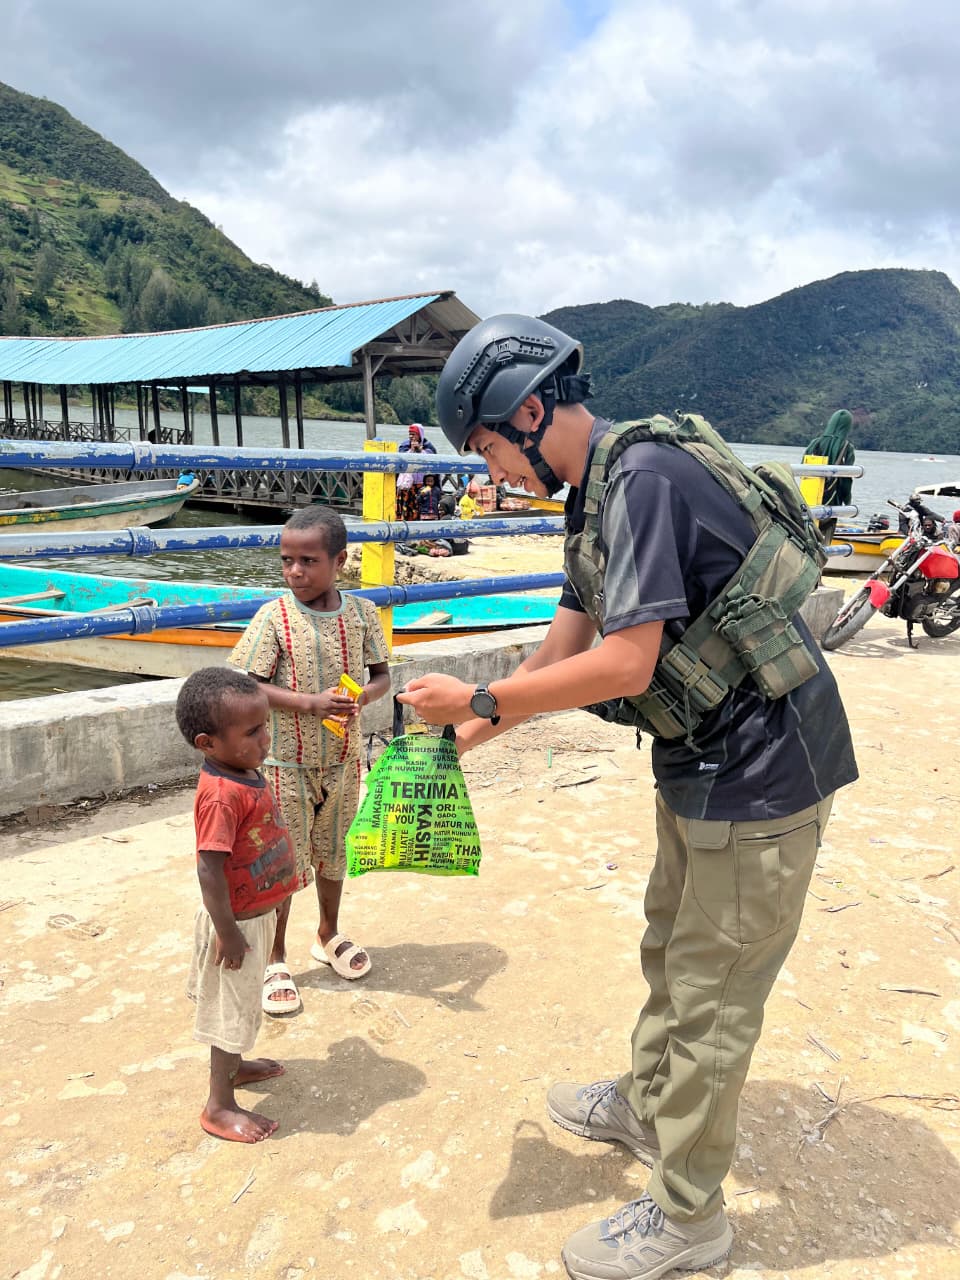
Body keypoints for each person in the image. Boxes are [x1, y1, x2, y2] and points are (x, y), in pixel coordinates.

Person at [397, 314, 859, 1280]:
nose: (490, 471)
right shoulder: (596, 490)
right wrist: (461, 739)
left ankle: (690, 1217)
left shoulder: (643, 479)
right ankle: (649, 1107)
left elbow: (626, 663)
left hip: (763, 770)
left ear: (529, 413)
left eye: (486, 448)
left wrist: (478, 699)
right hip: (700, 758)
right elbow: (563, 647)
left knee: (713, 995)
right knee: (671, 946)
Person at [228, 506, 391, 1012]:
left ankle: (328, 933)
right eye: (287, 561)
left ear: (339, 561)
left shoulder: (362, 614)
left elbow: (382, 676)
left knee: (334, 850)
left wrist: (361, 697)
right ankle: (275, 955)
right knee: (283, 860)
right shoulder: (274, 617)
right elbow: (248, 684)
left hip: (342, 760)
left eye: (308, 561)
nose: (295, 571)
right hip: (285, 764)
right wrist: (308, 703)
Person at [176, 666, 298, 1143]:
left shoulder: (242, 770)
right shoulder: (221, 797)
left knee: (241, 1006)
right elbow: (209, 869)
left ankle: (236, 1067)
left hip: (255, 917)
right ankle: (219, 1106)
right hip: (237, 927)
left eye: (264, 726)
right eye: (252, 732)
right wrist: (228, 934)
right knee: (228, 1015)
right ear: (207, 743)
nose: (265, 739)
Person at [803, 409, 856, 544]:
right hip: (832, 499)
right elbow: (846, 479)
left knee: (805, 535)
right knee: (824, 542)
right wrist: (847, 502)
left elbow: (803, 467)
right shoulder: (846, 447)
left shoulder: (815, 443)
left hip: (808, 497)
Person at [396, 423, 437, 521]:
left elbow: (432, 460)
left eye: (413, 434)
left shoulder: (428, 447)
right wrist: (411, 450)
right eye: (410, 434)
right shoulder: (405, 446)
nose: (411, 436)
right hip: (407, 485)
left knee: (420, 510)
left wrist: (420, 451)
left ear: (420, 435)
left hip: (422, 485)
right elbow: (401, 459)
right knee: (405, 511)